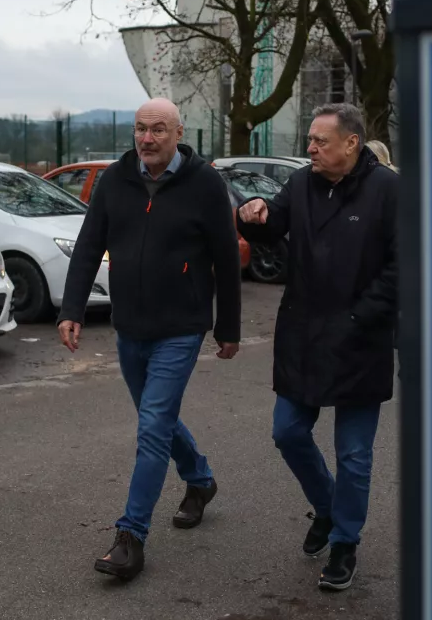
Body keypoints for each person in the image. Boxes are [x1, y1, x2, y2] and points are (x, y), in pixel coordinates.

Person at [57, 97, 242, 581]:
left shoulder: (204, 184)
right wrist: (72, 309)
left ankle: (130, 536)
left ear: (179, 132)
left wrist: (229, 328)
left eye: (158, 129)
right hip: (130, 326)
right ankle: (200, 481)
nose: (147, 138)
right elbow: (89, 244)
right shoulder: (116, 180)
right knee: (155, 420)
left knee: (153, 425)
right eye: (141, 129)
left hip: (181, 327)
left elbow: (226, 259)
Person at [237, 103, 397, 592]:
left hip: (359, 338)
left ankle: (346, 542)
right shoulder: (302, 183)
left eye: (319, 141)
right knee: (287, 432)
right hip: (303, 335)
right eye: (309, 139)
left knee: (354, 454)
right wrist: (251, 216)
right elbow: (271, 224)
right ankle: (327, 507)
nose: (309, 148)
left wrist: (357, 317)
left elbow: (404, 266)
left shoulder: (390, 190)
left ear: (351, 143)